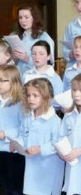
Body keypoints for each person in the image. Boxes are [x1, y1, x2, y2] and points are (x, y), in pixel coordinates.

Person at [12, 78, 64, 195]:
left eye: (35, 96)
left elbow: (58, 144)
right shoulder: (27, 117)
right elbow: (22, 135)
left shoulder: (54, 121)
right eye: (29, 95)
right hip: (32, 166)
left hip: (49, 167)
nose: (30, 99)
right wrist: (16, 144)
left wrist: (40, 149)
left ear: (46, 97)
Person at [0, 65, 24, 195]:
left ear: (14, 82)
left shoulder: (20, 103)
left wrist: (5, 134)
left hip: (12, 150)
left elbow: (24, 126)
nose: (0, 83)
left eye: (3, 80)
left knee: (14, 189)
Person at [14, 4, 54, 74]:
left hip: (36, 78)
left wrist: (27, 59)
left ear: (34, 18)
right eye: (20, 18)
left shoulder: (43, 37)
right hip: (19, 77)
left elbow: (50, 62)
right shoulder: (19, 36)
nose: (23, 20)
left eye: (26, 17)